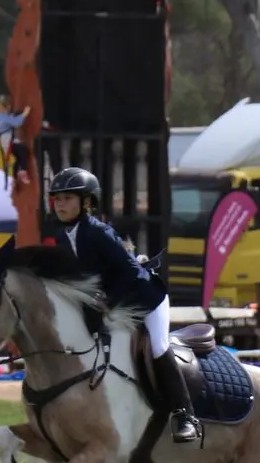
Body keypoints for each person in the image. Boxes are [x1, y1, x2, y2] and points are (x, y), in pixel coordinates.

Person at [45, 166, 201, 444]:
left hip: (144, 299)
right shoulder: (61, 237)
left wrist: (109, 300)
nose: (60, 204)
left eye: (67, 198)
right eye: (57, 199)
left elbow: (133, 273)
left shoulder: (100, 233)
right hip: (108, 306)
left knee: (157, 346)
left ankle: (185, 415)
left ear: (87, 202)